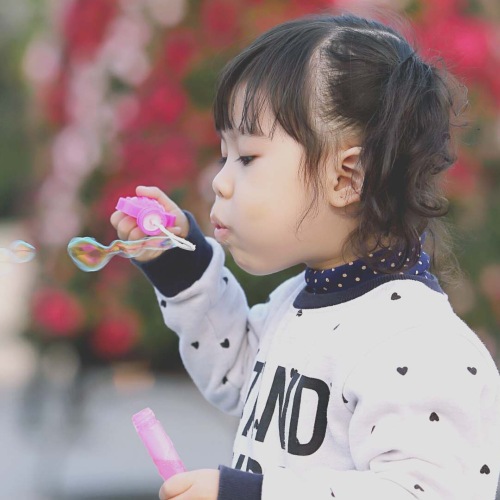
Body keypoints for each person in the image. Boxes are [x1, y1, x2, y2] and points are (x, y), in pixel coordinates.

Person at [111, 12, 500, 500]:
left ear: (347, 178)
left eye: (247, 158)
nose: (220, 180)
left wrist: (252, 495)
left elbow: (420, 493)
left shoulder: (417, 344)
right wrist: (177, 265)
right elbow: (235, 372)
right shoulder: (297, 301)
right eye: (223, 153)